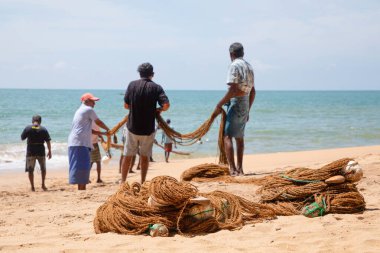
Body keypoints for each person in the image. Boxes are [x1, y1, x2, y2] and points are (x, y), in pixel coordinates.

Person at [121, 62, 170, 184]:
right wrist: (158, 110)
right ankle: (142, 182)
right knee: (144, 157)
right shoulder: (157, 87)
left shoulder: (132, 85)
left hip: (132, 127)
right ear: (152, 74)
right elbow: (166, 105)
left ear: (139, 73)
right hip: (148, 129)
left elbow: (126, 105)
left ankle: (123, 182)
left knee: (127, 156)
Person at [213, 42, 255, 176]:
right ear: (243, 53)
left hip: (236, 102)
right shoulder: (249, 66)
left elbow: (232, 90)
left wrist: (219, 105)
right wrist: (248, 110)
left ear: (231, 54)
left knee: (227, 136)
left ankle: (232, 169)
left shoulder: (234, 65)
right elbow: (253, 91)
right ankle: (240, 168)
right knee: (239, 137)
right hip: (245, 102)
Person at [68, 93, 110, 190]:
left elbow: (89, 130)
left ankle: (81, 189)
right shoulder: (88, 110)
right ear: (86, 101)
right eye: (92, 101)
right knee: (83, 169)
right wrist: (108, 130)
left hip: (76, 143)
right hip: (80, 143)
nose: (94, 104)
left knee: (82, 168)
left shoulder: (79, 111)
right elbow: (98, 122)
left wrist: (103, 133)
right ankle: (81, 190)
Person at [21, 115, 52, 191]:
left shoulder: (28, 128)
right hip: (41, 150)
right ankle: (43, 185)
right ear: (40, 121)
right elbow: (48, 141)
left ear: (32, 121)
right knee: (43, 169)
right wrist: (50, 151)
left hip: (30, 151)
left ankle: (32, 187)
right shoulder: (43, 129)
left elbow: (22, 138)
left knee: (30, 170)